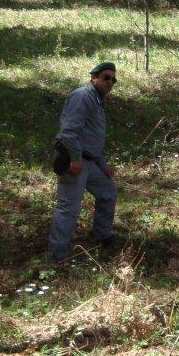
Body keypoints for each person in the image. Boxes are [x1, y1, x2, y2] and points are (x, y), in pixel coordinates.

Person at [48, 62, 118, 263]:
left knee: (107, 192)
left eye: (113, 79)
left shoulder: (97, 100)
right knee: (68, 208)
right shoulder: (82, 96)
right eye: (106, 77)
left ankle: (102, 236)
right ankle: (56, 258)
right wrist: (76, 159)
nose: (110, 82)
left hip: (89, 162)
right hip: (73, 160)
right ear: (94, 77)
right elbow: (69, 132)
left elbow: (92, 139)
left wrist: (103, 167)